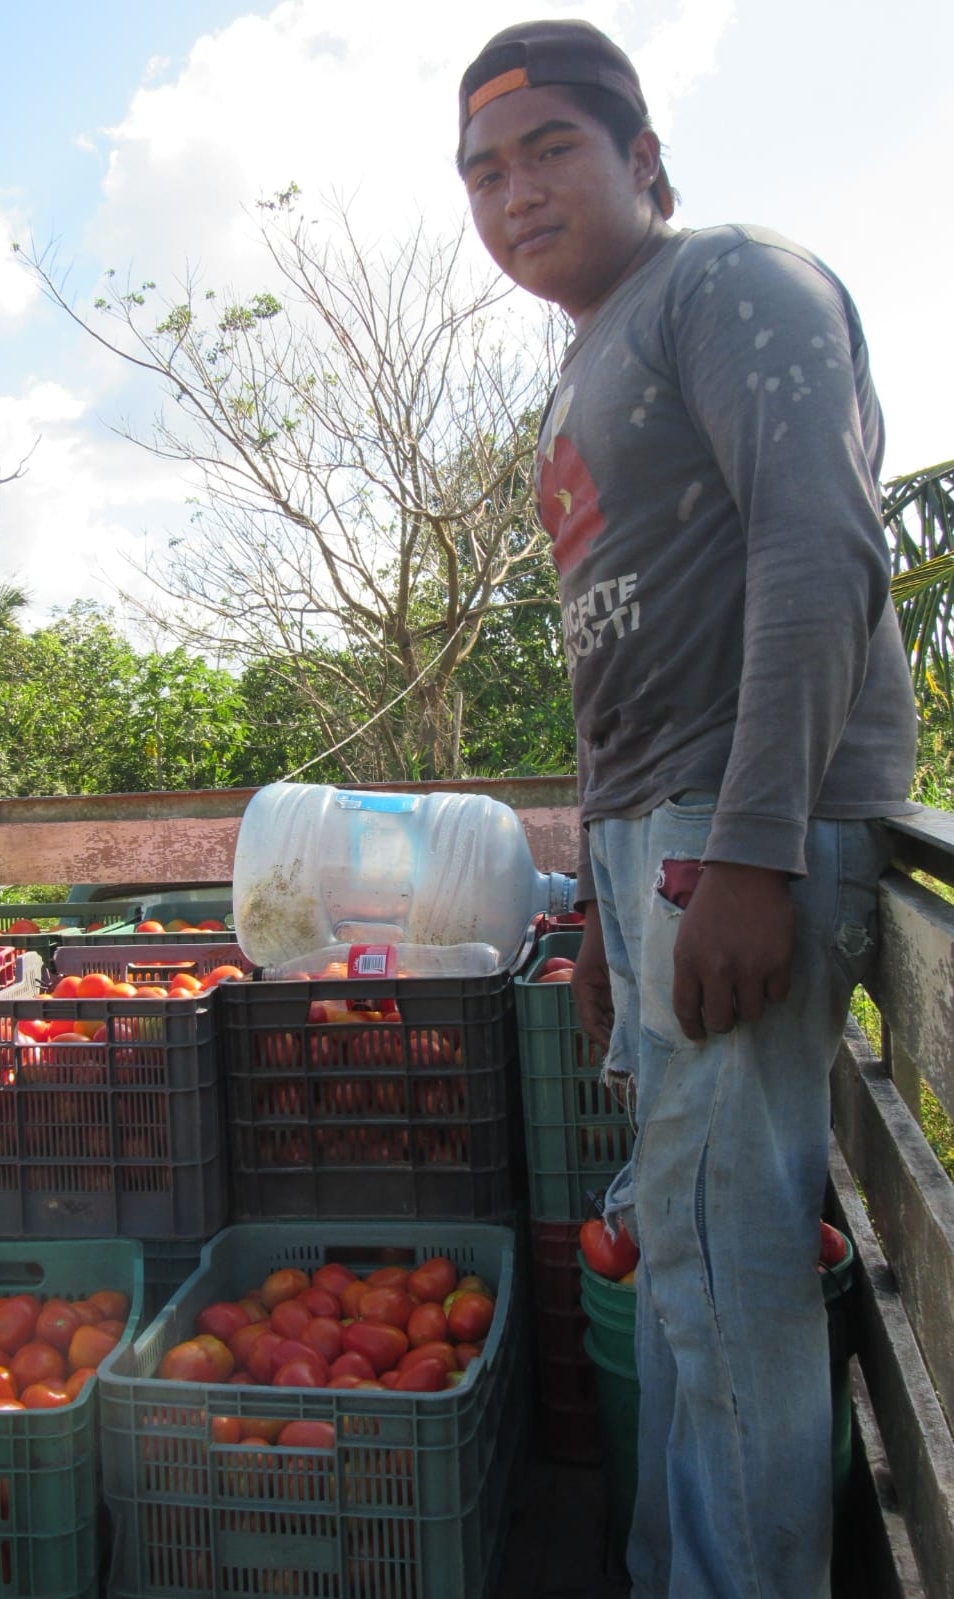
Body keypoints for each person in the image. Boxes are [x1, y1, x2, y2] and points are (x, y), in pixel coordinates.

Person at [457, 19, 918, 1599]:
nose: (514, 193)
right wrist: (601, 887)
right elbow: (624, 678)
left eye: (551, 151)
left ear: (644, 161)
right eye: (483, 172)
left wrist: (750, 852)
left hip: (744, 834)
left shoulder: (734, 284)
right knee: (680, 1277)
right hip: (669, 850)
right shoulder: (589, 353)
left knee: (725, 1294)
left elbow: (819, 556)